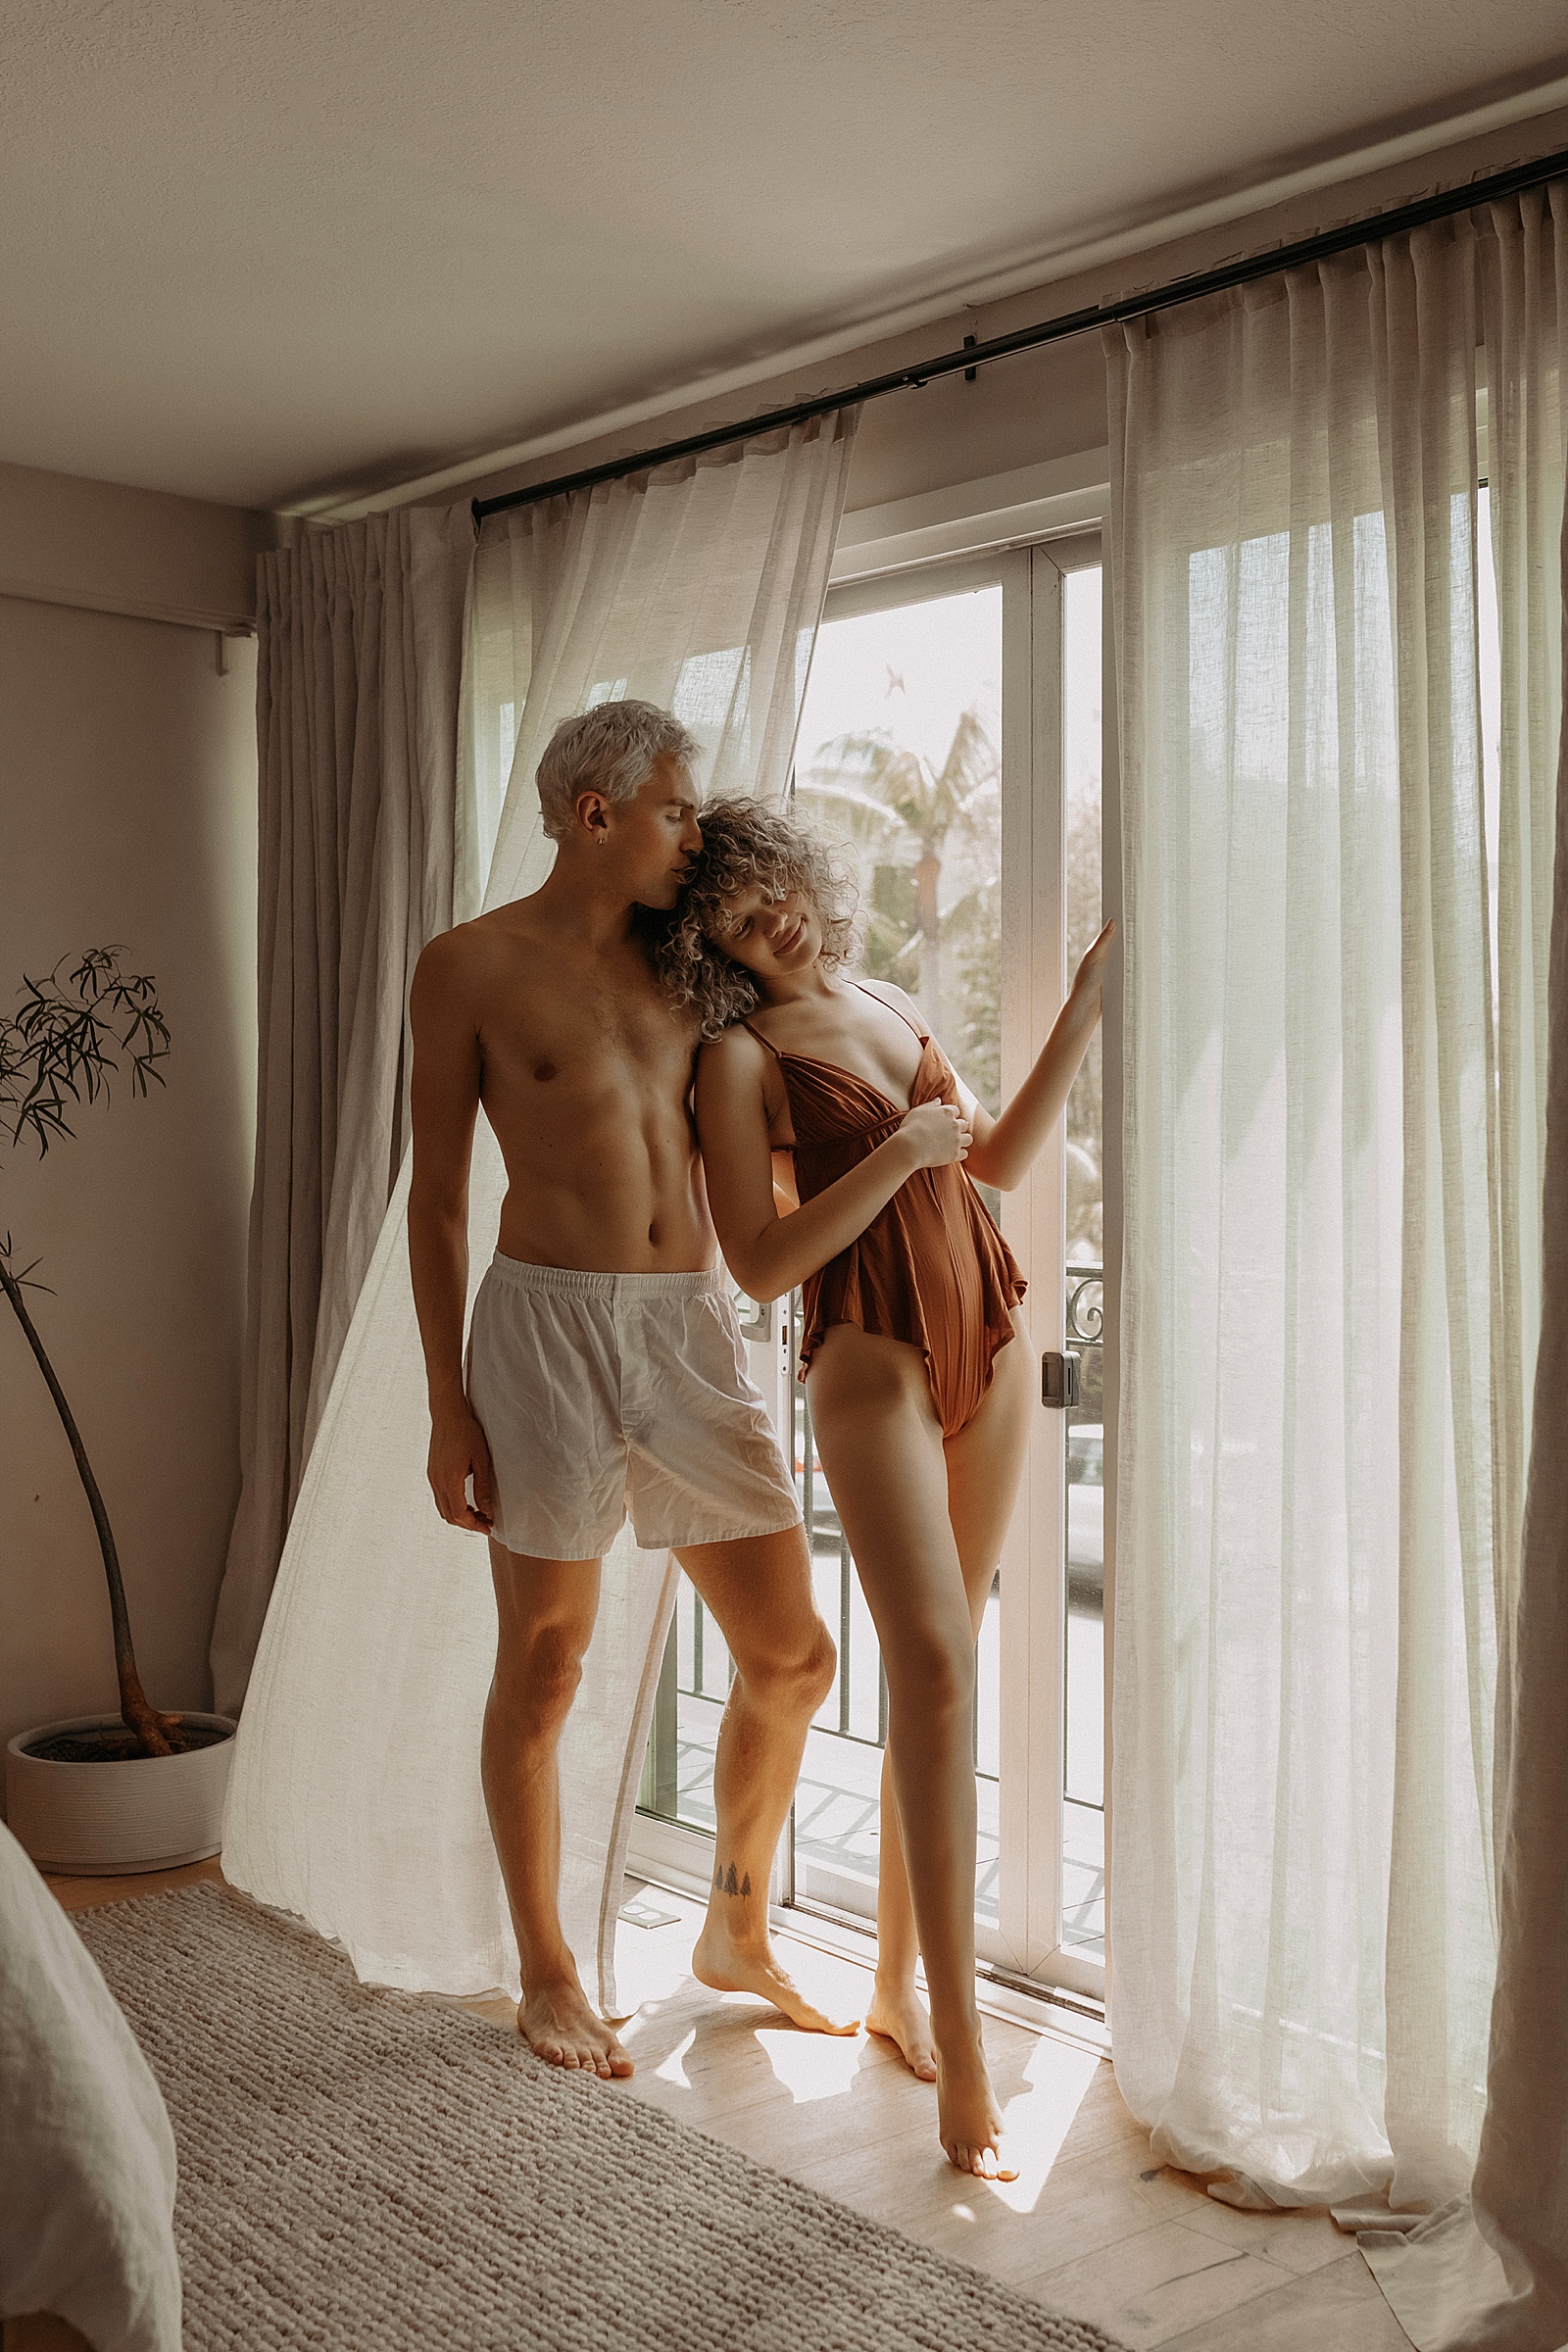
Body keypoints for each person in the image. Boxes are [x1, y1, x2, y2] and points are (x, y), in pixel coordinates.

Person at [659, 796, 1112, 2178]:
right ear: (711, 944)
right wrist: (901, 1155)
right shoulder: (736, 1060)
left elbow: (1002, 1164)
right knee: (923, 1663)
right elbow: (760, 1263)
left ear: (807, 877)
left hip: (990, 1326)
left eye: (774, 887)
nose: (769, 918)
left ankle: (899, 1994)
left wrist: (1085, 1011)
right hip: (865, 1363)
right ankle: (965, 2068)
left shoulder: (892, 995)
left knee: (950, 1671)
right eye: (735, 913)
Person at [407, 704, 847, 2082]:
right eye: (673, 808)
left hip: (686, 1330)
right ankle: (547, 1969)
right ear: (596, 815)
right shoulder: (468, 966)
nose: (694, 831)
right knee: (544, 1669)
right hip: (537, 1335)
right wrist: (445, 1404)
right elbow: (435, 1200)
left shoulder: (689, 968)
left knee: (794, 1657)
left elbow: (795, 1093)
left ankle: (734, 1925)